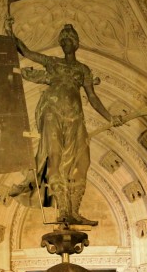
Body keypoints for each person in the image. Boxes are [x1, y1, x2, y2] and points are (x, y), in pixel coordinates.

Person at [6, 20, 118, 226]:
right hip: (52, 112)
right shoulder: (52, 62)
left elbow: (92, 97)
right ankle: (63, 210)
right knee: (54, 157)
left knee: (79, 161)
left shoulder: (83, 69)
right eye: (63, 39)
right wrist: (11, 35)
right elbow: (28, 52)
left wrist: (110, 117)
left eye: (70, 39)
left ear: (76, 44)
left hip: (74, 117)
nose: (66, 42)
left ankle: (74, 210)